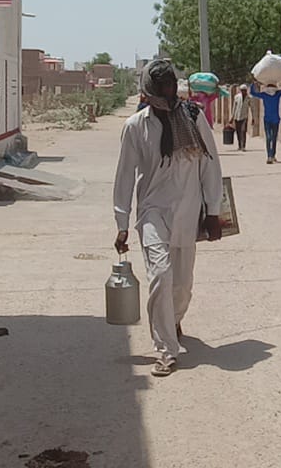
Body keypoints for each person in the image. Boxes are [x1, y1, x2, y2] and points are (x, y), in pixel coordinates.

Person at [113, 59, 223, 378]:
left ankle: (173, 318)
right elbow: (124, 177)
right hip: (152, 212)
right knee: (160, 274)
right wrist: (122, 224)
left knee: (182, 285)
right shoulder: (136, 126)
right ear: (148, 90)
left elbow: (209, 166)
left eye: (171, 85)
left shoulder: (193, 117)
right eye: (160, 86)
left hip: (188, 212)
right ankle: (166, 349)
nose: (167, 91)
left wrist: (213, 211)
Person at [250, 74, 281, 164]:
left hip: (271, 119)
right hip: (272, 119)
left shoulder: (267, 95)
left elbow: (253, 93)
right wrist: (253, 83)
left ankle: (271, 155)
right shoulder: (275, 94)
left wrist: (253, 83)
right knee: (271, 138)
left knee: (271, 138)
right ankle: (270, 156)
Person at [231, 84, 252, 151]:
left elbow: (252, 108)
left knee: (243, 131)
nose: (243, 92)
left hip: (244, 117)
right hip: (237, 116)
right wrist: (232, 117)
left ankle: (243, 146)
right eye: (242, 90)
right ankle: (239, 145)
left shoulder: (249, 98)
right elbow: (234, 107)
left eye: (245, 90)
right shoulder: (237, 97)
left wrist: (253, 117)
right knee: (238, 131)